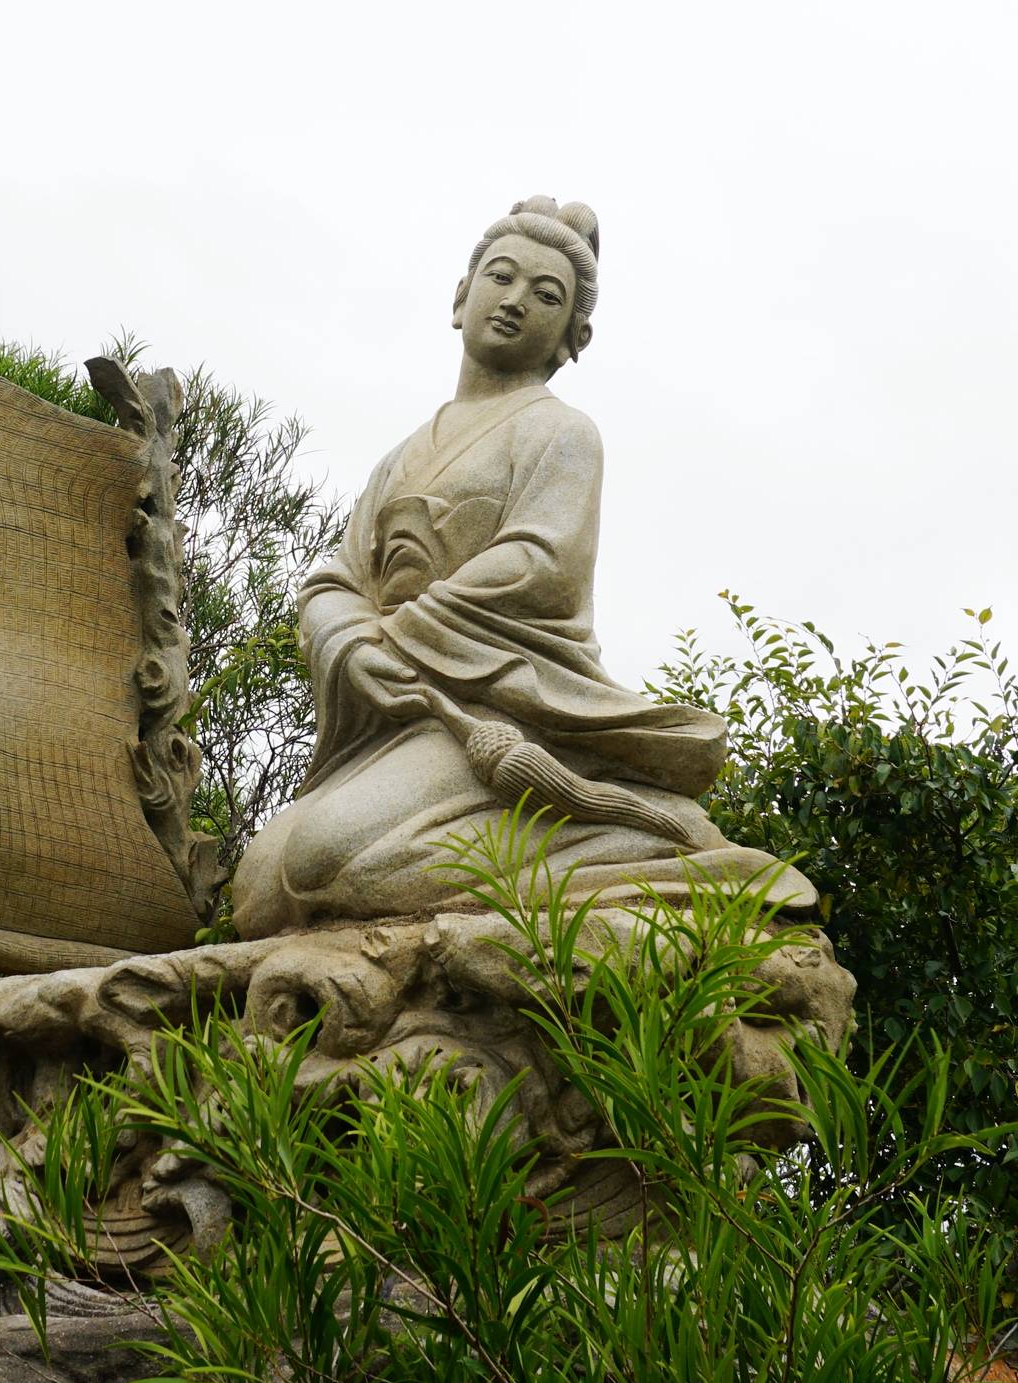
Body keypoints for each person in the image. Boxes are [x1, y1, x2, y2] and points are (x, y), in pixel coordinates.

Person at [231, 197, 813, 938]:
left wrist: (400, 631)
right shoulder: (403, 453)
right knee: (258, 888)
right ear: (459, 296)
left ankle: (639, 843)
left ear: (575, 337)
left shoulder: (561, 433)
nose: (513, 301)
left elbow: (540, 564)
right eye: (500, 277)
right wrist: (351, 641)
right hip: (404, 707)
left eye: (546, 296)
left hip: (498, 703)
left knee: (318, 865)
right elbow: (336, 581)